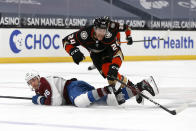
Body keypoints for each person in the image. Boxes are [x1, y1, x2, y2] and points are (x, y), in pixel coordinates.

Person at [62, 16, 148, 104]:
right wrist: (73, 51)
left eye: (104, 31)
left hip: (108, 50)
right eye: (99, 30)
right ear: (94, 28)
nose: (102, 34)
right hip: (95, 55)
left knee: (109, 71)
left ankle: (121, 90)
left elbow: (119, 54)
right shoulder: (84, 34)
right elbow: (65, 41)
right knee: (108, 74)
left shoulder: (109, 35)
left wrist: (115, 66)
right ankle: (132, 88)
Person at [25, 71, 159, 107]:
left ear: (38, 77)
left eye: (33, 79)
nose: (33, 83)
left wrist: (39, 100)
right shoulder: (40, 88)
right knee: (112, 101)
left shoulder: (43, 83)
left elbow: (56, 102)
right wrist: (39, 97)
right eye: (30, 82)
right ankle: (143, 85)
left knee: (79, 102)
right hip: (78, 87)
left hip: (73, 88)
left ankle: (108, 88)